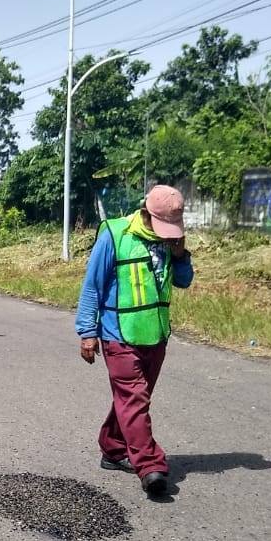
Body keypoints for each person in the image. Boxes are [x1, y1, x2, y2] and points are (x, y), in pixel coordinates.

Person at [76, 185, 195, 497]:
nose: (169, 234)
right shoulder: (114, 235)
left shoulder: (171, 241)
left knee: (132, 401)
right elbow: (92, 286)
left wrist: (181, 256)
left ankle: (113, 449)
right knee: (134, 399)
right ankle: (150, 464)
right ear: (146, 213)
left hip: (155, 334)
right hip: (119, 334)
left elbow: (183, 281)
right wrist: (88, 332)